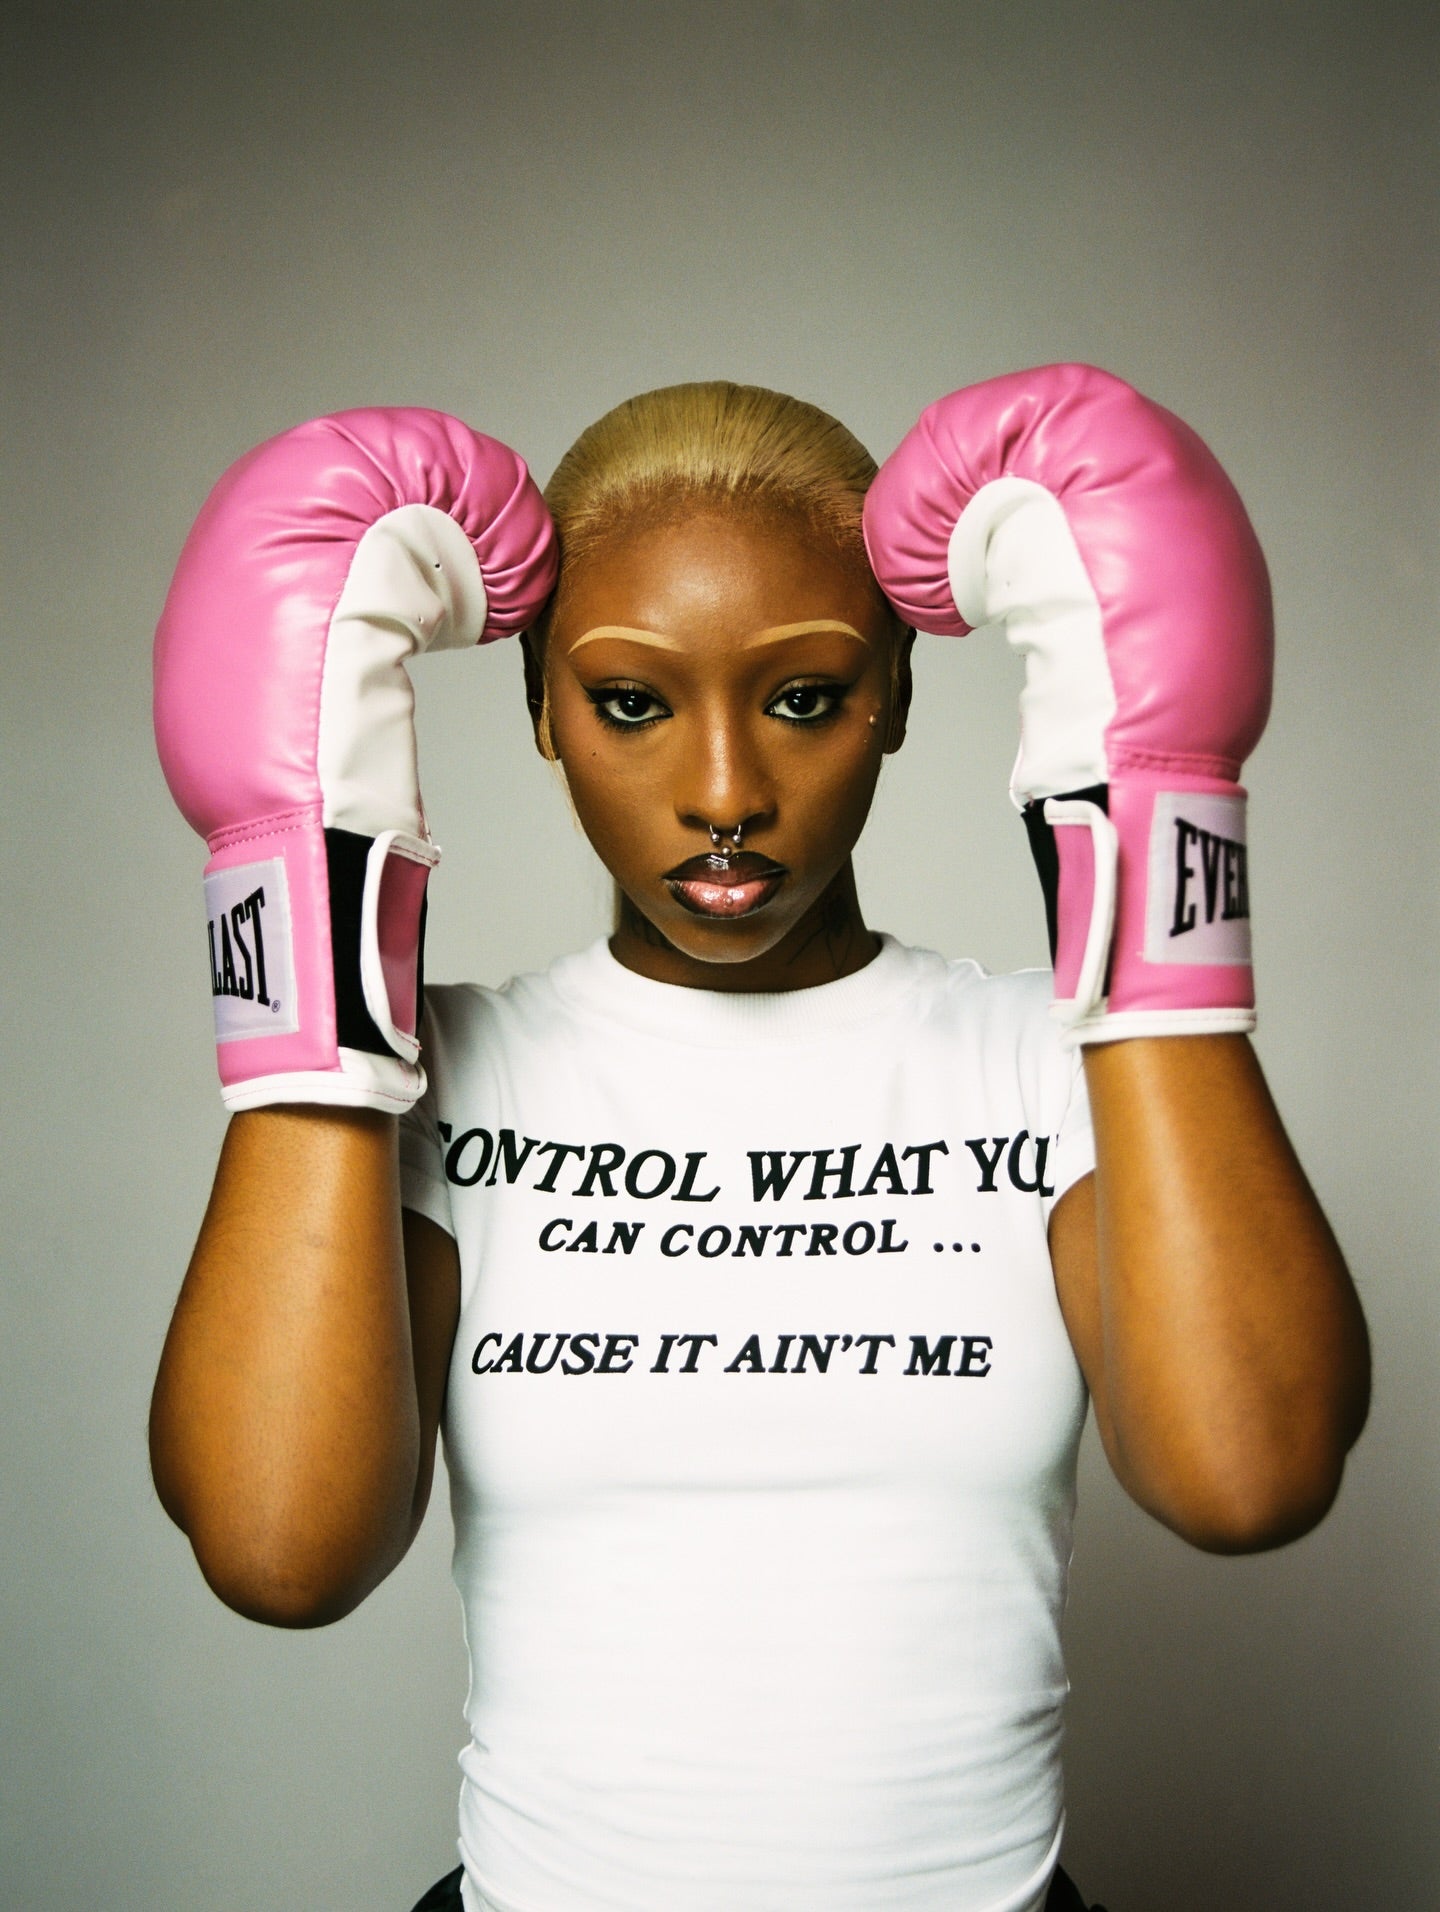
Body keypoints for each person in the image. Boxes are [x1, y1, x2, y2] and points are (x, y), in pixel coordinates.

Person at [149, 374, 1370, 1912]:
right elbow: (279, 1550)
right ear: (538, 707)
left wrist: (1150, 819)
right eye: (632, 702)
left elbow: (1251, 1476)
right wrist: (307, 890)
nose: (724, 793)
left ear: (899, 697)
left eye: (803, 697)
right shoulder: (439, 1080)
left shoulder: (1052, 1061)